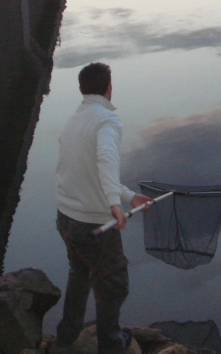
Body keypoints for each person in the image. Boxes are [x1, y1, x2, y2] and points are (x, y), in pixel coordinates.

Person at [55, 62, 152, 354]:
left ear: (82, 89)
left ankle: (65, 337)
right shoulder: (107, 121)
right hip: (93, 224)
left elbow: (87, 170)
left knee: (81, 272)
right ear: (108, 88)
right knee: (114, 284)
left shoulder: (74, 119)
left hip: (66, 218)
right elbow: (106, 160)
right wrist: (113, 204)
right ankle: (110, 345)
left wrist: (127, 196)